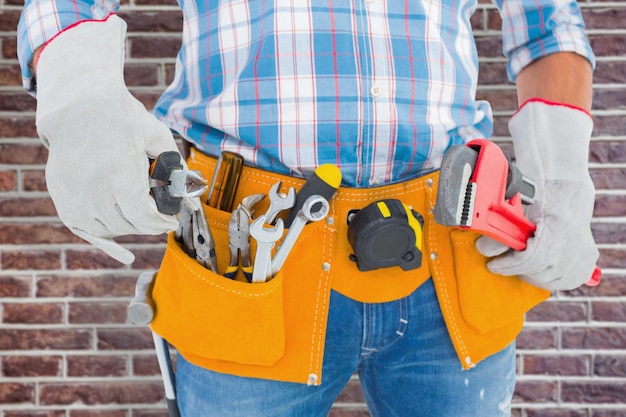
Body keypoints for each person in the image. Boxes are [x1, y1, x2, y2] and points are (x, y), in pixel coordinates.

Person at [18, 1, 599, 416]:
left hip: (452, 247)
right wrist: (83, 102)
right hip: (246, 266)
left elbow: (548, 23)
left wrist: (565, 179)